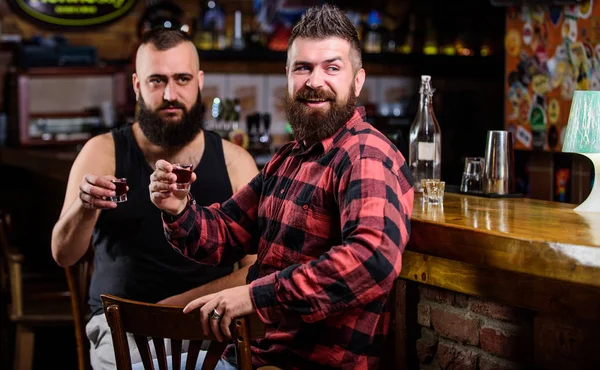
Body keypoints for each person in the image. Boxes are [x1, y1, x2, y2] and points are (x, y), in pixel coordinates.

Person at [150, 4, 414, 369]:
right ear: (287, 76)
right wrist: (178, 207)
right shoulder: (289, 158)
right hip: (252, 354)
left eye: (332, 68)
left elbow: (371, 259)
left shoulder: (365, 154)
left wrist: (255, 297)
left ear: (357, 81)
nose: (314, 81)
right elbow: (224, 233)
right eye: (302, 68)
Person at [51, 28, 258, 370]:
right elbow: (63, 254)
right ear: (136, 85)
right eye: (156, 81)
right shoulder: (102, 152)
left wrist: (175, 308)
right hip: (123, 328)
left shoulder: (236, 162)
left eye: (182, 79)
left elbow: (256, 269)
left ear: (199, 82)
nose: (170, 94)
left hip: (211, 323)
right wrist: (83, 208)